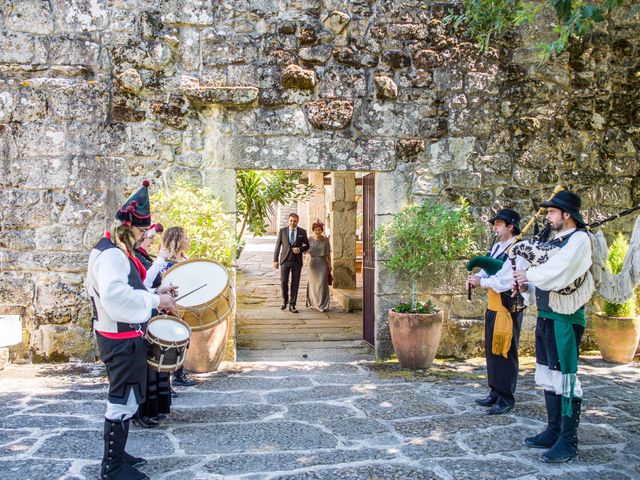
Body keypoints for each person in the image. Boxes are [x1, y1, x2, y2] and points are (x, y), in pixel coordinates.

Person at [86, 180, 177, 480]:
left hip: (121, 337)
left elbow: (128, 287)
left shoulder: (112, 250)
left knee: (127, 398)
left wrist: (158, 290)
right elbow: (116, 298)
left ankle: (118, 455)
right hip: (121, 340)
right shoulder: (112, 255)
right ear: (128, 228)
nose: (142, 238)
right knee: (121, 399)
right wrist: (155, 299)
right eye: (140, 232)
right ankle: (111, 467)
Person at [513, 190, 591, 463]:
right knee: (547, 372)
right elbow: (544, 275)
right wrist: (527, 285)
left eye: (551, 212)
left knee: (565, 377)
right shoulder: (557, 240)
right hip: (548, 315)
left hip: (566, 319)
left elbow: (561, 271)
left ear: (566, 215)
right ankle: (554, 430)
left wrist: (530, 273)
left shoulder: (580, 240)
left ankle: (569, 441)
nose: (547, 217)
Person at [468, 209, 528, 415]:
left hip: (508, 306)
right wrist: (478, 277)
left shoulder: (518, 249)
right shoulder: (497, 247)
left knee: (505, 351)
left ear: (511, 227)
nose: (495, 227)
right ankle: (495, 391)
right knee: (492, 350)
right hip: (493, 305)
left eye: (499, 224)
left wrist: (482, 281)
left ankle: (506, 396)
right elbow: (489, 269)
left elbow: (506, 280)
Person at [133, 223, 173, 428]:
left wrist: (162, 291)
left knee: (155, 363)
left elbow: (149, 287)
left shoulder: (142, 257)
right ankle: (142, 412)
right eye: (149, 238)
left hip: (150, 312)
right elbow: (140, 286)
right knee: (145, 366)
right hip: (140, 318)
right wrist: (159, 263)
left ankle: (154, 408)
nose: (151, 242)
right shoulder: (133, 257)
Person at [161, 226, 197, 388]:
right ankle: (166, 380)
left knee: (183, 339)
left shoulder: (184, 258)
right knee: (169, 340)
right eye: (186, 238)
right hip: (170, 305)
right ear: (177, 241)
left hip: (183, 304)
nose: (188, 240)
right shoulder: (167, 262)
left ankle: (178, 374)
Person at [273, 213, 309, 313]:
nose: (293, 223)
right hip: (285, 260)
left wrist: (300, 249)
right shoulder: (282, 231)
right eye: (291, 221)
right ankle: (285, 301)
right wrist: (275, 260)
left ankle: (292, 304)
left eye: (295, 221)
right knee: (284, 282)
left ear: (298, 221)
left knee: (295, 283)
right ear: (288, 221)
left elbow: (307, 245)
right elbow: (278, 245)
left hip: (297, 261)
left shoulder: (302, 231)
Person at [306, 219, 332, 312]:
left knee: (322, 284)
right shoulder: (309, 239)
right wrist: (306, 262)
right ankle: (313, 303)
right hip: (312, 264)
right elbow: (305, 252)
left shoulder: (325, 240)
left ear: (322, 230)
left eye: (319, 229)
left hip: (323, 264)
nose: (317, 231)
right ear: (313, 230)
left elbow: (328, 253)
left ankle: (322, 305)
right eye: (316, 229)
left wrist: (330, 264)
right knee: (313, 285)